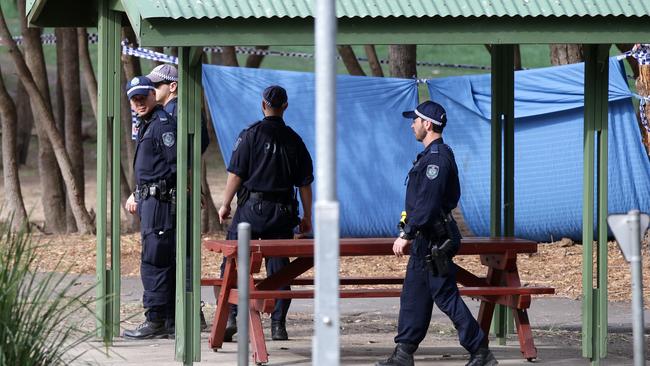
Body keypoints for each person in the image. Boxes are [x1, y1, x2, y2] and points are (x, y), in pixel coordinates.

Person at [376, 101, 497, 366]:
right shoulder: (431, 156)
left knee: (445, 296)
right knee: (413, 295)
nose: (412, 125)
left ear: (427, 124)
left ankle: (480, 351)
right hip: (425, 239)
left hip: (433, 240)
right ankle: (403, 354)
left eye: (415, 121)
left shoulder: (437, 160)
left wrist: (406, 233)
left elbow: (428, 204)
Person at [218, 85, 313, 342]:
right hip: (281, 214)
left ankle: (231, 316)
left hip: (250, 211)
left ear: (262, 105)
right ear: (285, 107)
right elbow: (304, 183)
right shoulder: (294, 140)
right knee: (279, 268)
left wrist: (225, 204)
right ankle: (278, 324)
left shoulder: (250, 135)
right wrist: (307, 217)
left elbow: (236, 173)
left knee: (233, 262)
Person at [146, 64, 209, 332]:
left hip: (173, 198)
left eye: (157, 85)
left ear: (172, 86)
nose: (152, 90)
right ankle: (185, 315)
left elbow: (178, 158)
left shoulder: (173, 114)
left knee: (174, 256)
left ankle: (182, 316)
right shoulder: (183, 111)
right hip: (181, 192)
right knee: (180, 255)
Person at [123, 76, 178, 339]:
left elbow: (176, 164)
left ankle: (156, 319)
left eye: (142, 97)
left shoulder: (161, 125)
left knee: (154, 260)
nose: (139, 103)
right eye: (134, 99)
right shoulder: (148, 124)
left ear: (153, 95)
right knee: (158, 258)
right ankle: (165, 318)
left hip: (160, 203)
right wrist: (138, 193)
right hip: (150, 201)